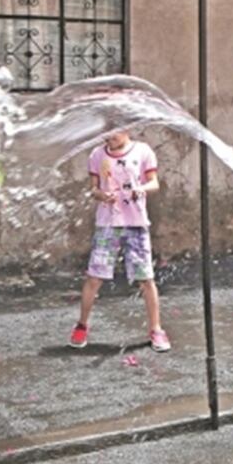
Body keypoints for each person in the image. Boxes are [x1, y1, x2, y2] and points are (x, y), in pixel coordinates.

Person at [69, 130, 171, 352]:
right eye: (106, 136)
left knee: (146, 279)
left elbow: (154, 183)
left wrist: (140, 189)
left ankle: (156, 329)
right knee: (94, 277)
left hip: (136, 224)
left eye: (113, 135)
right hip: (107, 224)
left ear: (127, 130)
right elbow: (94, 188)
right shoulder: (97, 155)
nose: (108, 139)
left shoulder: (143, 151)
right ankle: (82, 325)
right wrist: (101, 195)